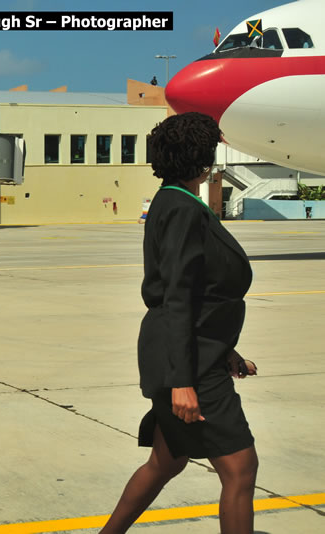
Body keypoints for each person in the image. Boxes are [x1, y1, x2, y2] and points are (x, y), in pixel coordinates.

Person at [100, 112, 259, 534]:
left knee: (165, 461)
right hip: (187, 364)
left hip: (192, 352)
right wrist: (182, 382)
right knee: (241, 469)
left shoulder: (172, 201)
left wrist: (226, 348)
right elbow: (177, 295)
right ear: (202, 160)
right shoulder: (184, 209)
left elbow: (197, 292)